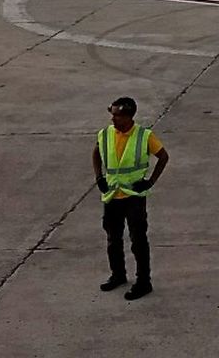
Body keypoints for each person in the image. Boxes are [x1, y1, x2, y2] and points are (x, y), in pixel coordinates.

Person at [93, 97, 168, 300]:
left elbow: (163, 157)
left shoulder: (145, 136)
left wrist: (150, 182)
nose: (113, 119)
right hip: (112, 195)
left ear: (128, 116)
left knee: (138, 240)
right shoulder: (106, 133)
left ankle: (144, 282)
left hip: (134, 196)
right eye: (112, 114)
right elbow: (96, 153)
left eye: (117, 115)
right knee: (113, 239)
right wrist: (99, 176)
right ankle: (118, 275)